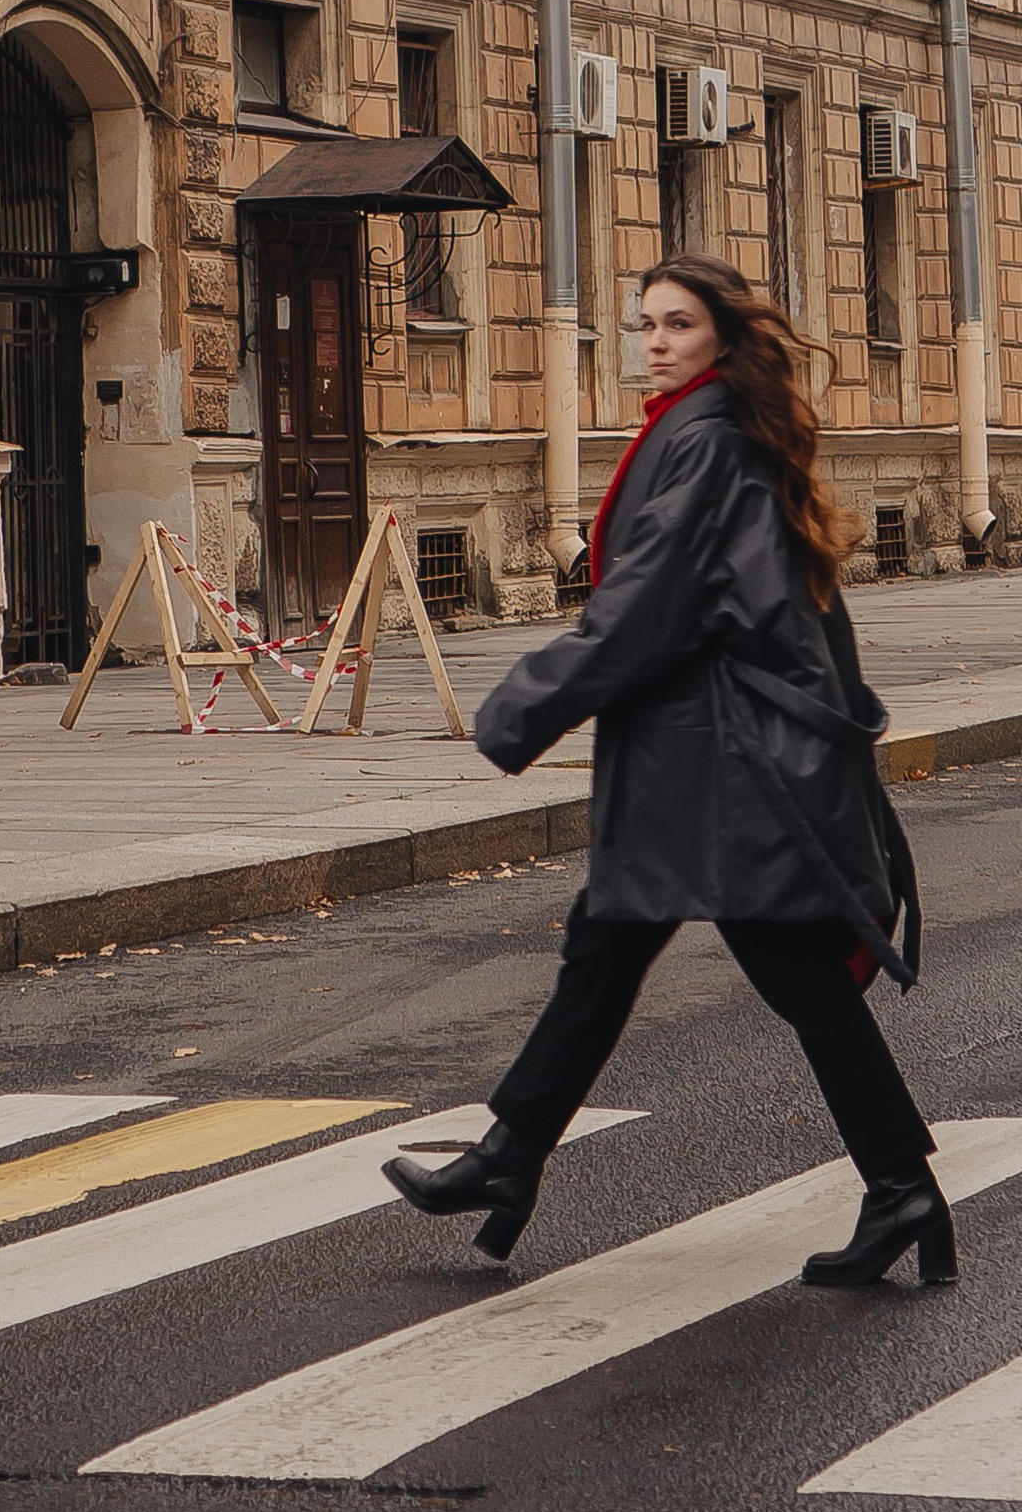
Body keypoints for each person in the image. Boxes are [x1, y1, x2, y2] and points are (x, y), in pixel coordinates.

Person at [387, 252, 948, 1286]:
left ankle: (901, 1187)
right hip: (699, 758)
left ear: (721, 339)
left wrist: (522, 707)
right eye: (644, 322)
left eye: (676, 324)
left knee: (787, 977)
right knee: (606, 954)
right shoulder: (711, 431)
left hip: (719, 768)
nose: (652, 342)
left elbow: (646, 606)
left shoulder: (704, 441)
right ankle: (510, 1159)